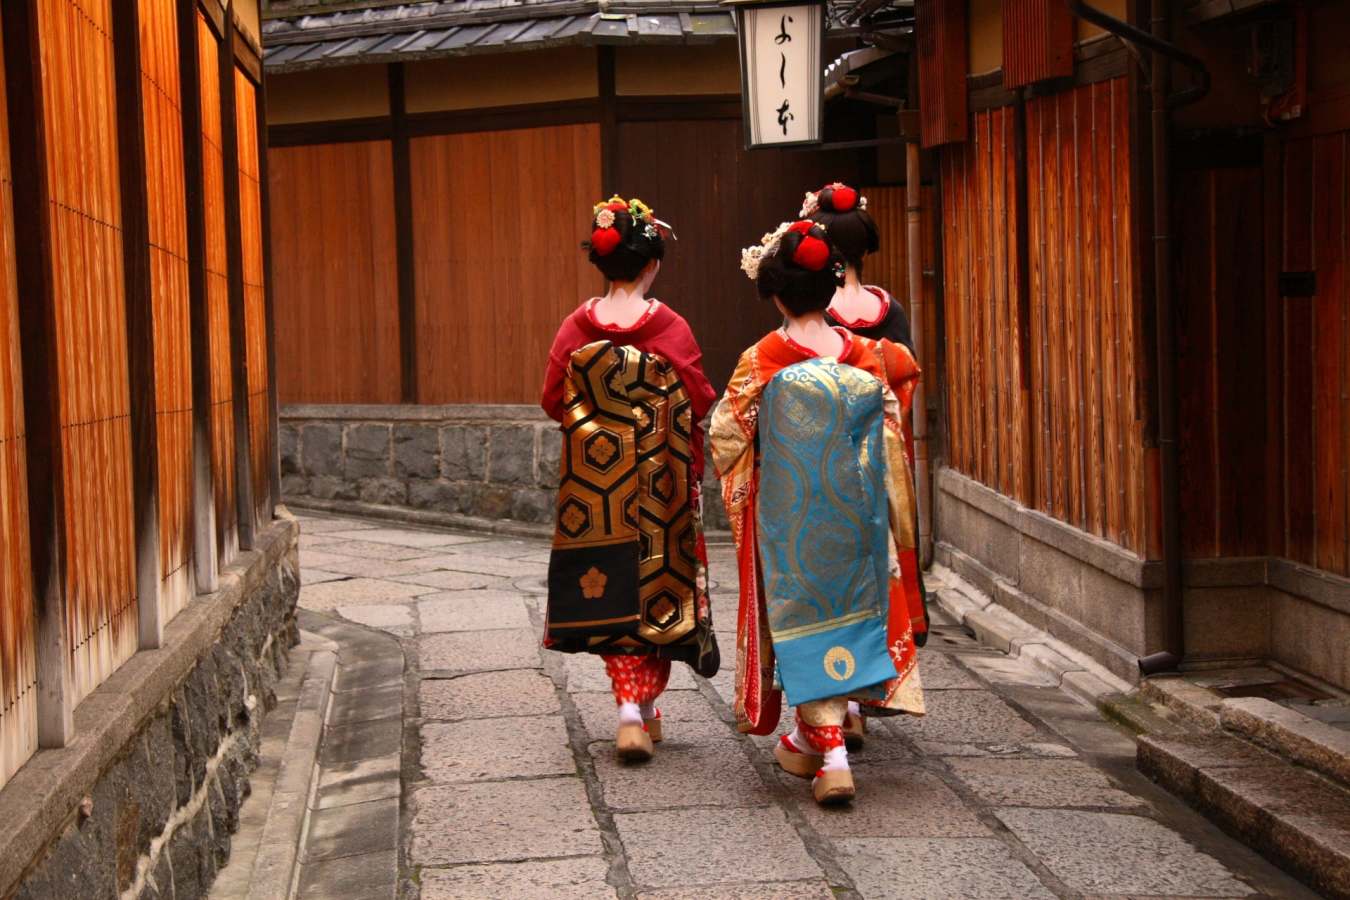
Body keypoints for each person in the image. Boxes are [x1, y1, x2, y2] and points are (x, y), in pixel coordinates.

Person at [710, 220, 925, 806]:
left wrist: (757, 478)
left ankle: (829, 753)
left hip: (792, 526)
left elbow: (727, 438)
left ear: (775, 294)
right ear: (832, 291)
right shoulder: (868, 356)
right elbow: (891, 438)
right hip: (859, 524)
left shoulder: (762, 361)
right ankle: (827, 736)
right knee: (855, 614)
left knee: (803, 623)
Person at [541, 196, 719, 764]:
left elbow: (552, 400)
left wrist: (602, 420)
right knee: (656, 586)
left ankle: (630, 709)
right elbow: (698, 397)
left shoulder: (576, 325)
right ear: (652, 264)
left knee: (607, 586)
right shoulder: (670, 326)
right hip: (660, 484)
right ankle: (637, 710)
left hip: (597, 488)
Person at [806, 182, 931, 752]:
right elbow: (902, 382)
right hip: (878, 459)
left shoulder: (814, 317)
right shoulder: (888, 310)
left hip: (824, 459)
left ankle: (844, 700)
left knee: (832, 577)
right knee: (878, 570)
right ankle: (867, 687)